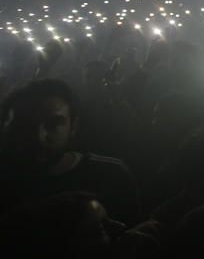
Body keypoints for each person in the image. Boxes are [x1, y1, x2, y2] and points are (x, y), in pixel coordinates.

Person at [0, 79, 140, 224]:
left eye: (53, 124)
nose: (38, 137)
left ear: (73, 127)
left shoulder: (111, 177)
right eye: (25, 125)